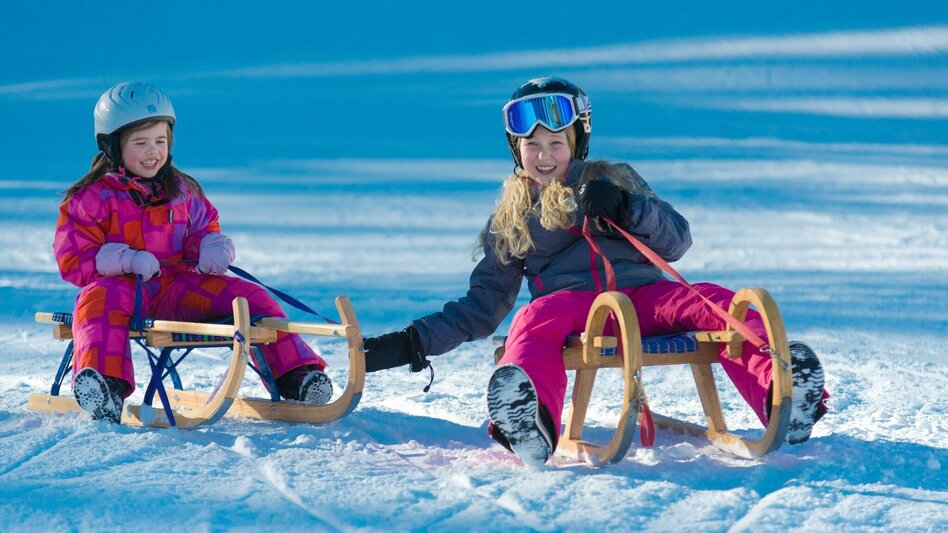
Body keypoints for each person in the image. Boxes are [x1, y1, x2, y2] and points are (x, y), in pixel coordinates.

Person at [363, 77, 828, 466]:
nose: (544, 156)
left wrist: (626, 207)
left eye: (556, 143)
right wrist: (412, 343)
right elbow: (482, 308)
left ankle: (781, 390)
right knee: (532, 322)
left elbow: (677, 240)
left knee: (712, 301)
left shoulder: (614, 179)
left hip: (646, 295)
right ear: (516, 150)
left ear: (577, 143)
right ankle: (532, 421)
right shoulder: (511, 216)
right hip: (571, 306)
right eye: (532, 145)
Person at [54, 81, 332, 423]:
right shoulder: (91, 198)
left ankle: (297, 376)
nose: (151, 151)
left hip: (179, 288)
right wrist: (126, 260)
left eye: (159, 141)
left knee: (249, 298)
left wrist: (211, 248)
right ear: (112, 147)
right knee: (96, 301)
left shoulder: (183, 191)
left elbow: (204, 228)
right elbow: (73, 258)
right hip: (125, 292)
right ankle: (106, 388)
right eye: (139, 143)